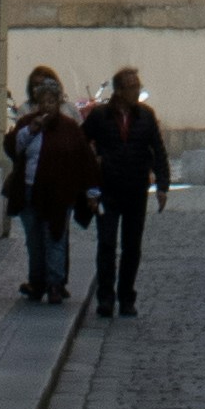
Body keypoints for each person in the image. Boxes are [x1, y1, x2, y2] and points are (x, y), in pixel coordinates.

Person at [84, 65, 171, 319]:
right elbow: (81, 142)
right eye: (133, 87)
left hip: (135, 189)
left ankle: (126, 297)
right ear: (120, 91)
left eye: (138, 86)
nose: (137, 91)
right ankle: (105, 298)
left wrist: (162, 185)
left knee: (132, 247)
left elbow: (158, 150)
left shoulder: (146, 116)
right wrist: (92, 176)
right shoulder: (100, 116)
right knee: (107, 244)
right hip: (107, 190)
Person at [1, 65, 89, 307]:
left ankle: (55, 284)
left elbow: (83, 156)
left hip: (59, 191)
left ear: (58, 102)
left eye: (52, 101)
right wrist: (31, 130)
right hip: (30, 190)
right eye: (43, 101)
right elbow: (13, 148)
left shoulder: (69, 125)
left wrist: (88, 188)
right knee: (34, 240)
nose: (47, 106)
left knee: (55, 237)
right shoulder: (27, 120)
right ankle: (36, 281)